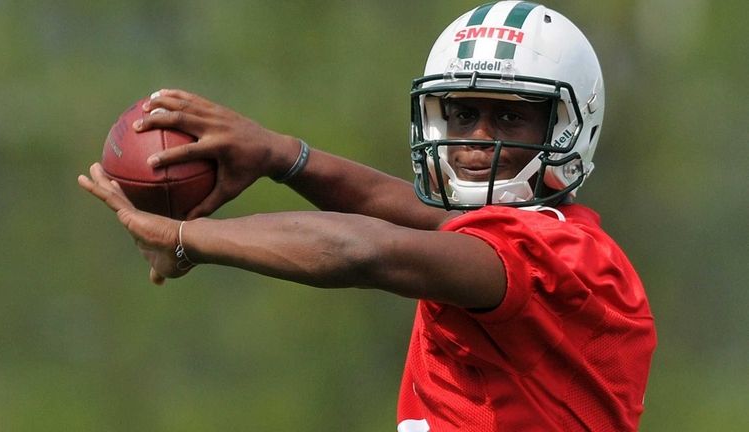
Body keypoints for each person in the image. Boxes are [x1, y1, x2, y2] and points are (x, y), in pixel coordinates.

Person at [79, 1, 656, 430]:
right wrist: (281, 156)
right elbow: (414, 217)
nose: (478, 139)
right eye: (461, 113)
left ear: (569, 127)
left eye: (509, 118)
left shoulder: (561, 259)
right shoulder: (513, 237)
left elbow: (365, 249)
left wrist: (188, 237)